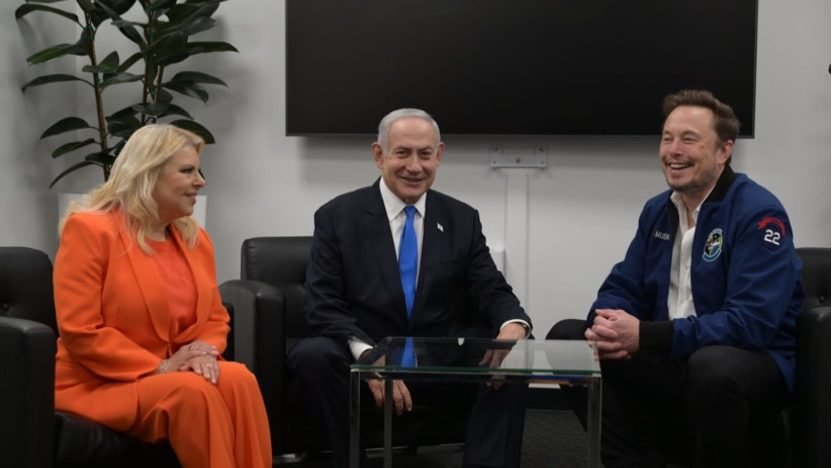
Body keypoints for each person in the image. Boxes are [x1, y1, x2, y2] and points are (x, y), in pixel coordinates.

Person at [549, 89, 803, 468]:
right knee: (567, 339)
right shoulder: (657, 210)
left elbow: (751, 323)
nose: (673, 151)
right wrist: (607, 322)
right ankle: (633, 462)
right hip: (674, 354)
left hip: (748, 362)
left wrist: (646, 335)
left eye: (688, 139)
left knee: (710, 367)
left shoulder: (758, 213)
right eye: (667, 138)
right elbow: (623, 286)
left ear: (724, 150)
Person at [288, 108, 532, 468]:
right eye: (402, 153)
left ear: (439, 155)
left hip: (437, 361)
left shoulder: (461, 219)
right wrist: (369, 357)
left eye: (425, 154)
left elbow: (490, 288)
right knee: (312, 355)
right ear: (379, 155)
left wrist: (514, 325)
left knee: (512, 352)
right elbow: (322, 304)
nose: (414, 167)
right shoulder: (338, 216)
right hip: (363, 360)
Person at [53, 124, 272, 468]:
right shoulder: (90, 230)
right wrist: (163, 366)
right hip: (100, 382)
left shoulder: (195, 239)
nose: (200, 181)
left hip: (172, 374)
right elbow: (80, 330)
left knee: (239, 380)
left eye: (199, 171)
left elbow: (214, 318)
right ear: (148, 174)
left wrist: (201, 353)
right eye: (187, 171)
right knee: (193, 393)